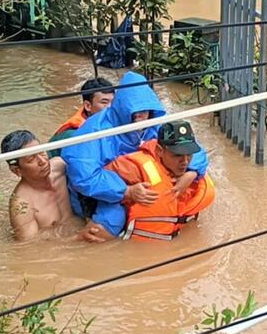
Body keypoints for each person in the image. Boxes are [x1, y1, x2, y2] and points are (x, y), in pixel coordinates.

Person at [61, 71, 209, 242]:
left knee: (193, 191)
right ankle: (73, 241)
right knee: (106, 227)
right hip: (102, 192)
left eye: (144, 110)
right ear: (123, 108)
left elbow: (194, 149)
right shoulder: (95, 130)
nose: (140, 115)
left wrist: (191, 172)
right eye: (134, 111)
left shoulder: (154, 123)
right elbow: (84, 176)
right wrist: (127, 191)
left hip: (140, 184)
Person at [99, 120, 216, 241]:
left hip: (177, 240)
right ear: (160, 151)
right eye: (177, 155)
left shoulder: (193, 170)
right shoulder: (134, 167)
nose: (185, 161)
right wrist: (127, 192)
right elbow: (99, 183)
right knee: (100, 229)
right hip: (141, 248)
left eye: (189, 154)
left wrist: (192, 172)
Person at [2, 130, 74, 241]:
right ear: (17, 170)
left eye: (41, 152)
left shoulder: (60, 167)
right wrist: (78, 238)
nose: (43, 161)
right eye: (31, 159)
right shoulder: (22, 206)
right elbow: (32, 248)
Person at [48, 78, 115, 158]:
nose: (110, 107)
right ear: (88, 106)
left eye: (113, 102)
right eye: (104, 102)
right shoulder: (74, 134)